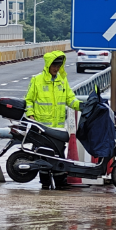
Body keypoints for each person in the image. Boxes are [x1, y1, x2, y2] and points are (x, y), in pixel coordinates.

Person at [25, 50, 80, 190]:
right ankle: (45, 183)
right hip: (41, 127)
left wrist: (82, 106)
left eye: (59, 65)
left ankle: (60, 182)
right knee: (43, 156)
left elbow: (70, 99)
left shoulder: (62, 80)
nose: (56, 68)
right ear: (48, 65)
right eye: (54, 65)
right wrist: (31, 117)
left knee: (59, 155)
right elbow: (29, 100)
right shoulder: (37, 80)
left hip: (58, 128)